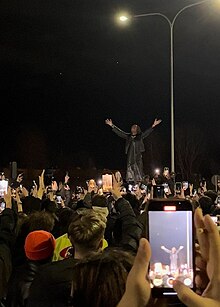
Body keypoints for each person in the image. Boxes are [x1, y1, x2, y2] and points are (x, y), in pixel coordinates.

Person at [105, 118, 162, 183]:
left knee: (138, 171)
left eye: (134, 128)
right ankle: (131, 183)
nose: (133, 129)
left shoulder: (140, 136)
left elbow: (147, 132)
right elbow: (120, 133)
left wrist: (153, 125)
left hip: (138, 157)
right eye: (132, 127)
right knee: (130, 171)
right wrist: (112, 125)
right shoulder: (128, 136)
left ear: (137, 130)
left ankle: (139, 183)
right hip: (130, 157)